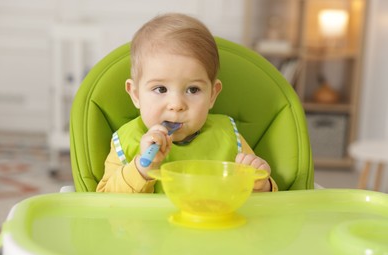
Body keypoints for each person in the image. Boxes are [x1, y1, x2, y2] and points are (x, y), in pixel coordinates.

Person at [96, 13, 278, 193]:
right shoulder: (125, 141)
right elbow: (104, 201)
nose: (176, 105)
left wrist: (262, 185)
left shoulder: (229, 137)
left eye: (193, 89)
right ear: (136, 95)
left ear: (212, 95)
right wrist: (142, 170)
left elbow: (261, 202)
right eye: (160, 89)